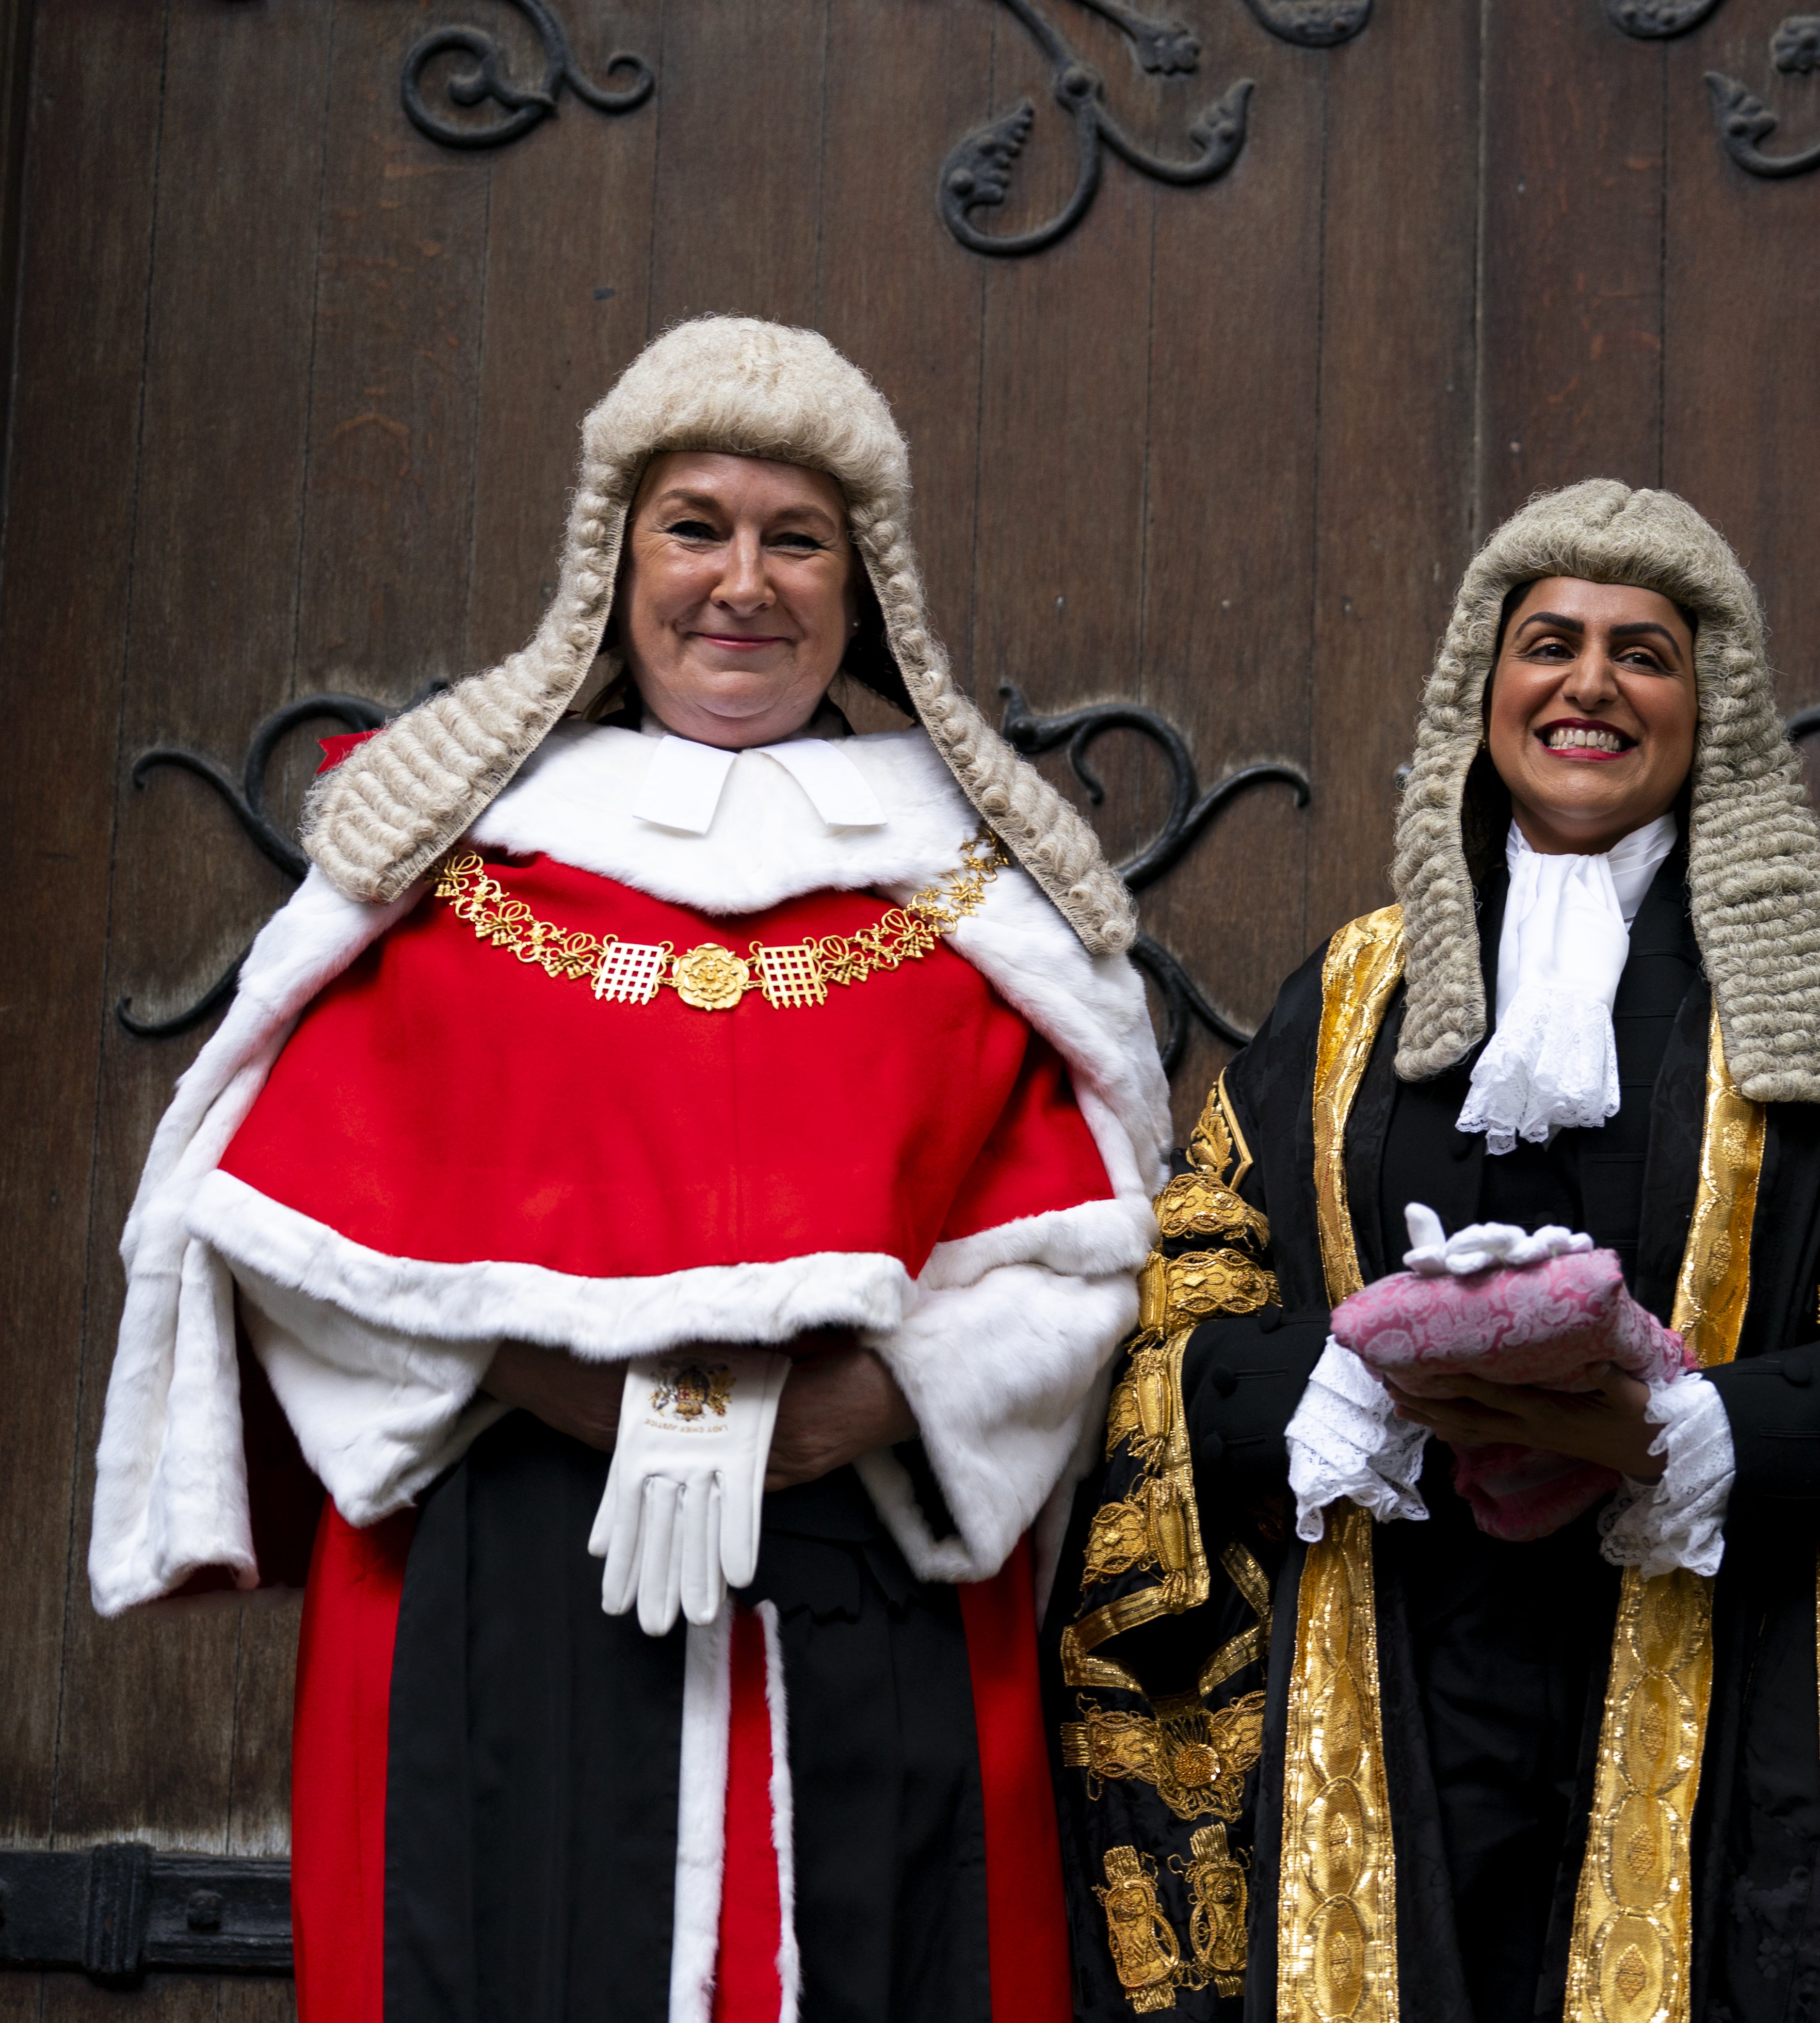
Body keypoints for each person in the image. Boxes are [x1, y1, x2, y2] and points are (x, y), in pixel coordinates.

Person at [88, 317, 1171, 2021]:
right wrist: (566, 1385)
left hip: (862, 1571)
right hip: (510, 1562)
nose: (742, 582)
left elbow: (1089, 1247)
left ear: (859, 582)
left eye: (795, 537)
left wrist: (861, 1411)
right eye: (697, 526)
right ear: (616, 560)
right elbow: (271, 1223)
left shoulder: (973, 894)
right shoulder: (449, 866)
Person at [1042, 480, 1820, 2019]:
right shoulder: (1352, 994)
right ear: (1483, 692)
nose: (1589, 684)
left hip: (1719, 1666)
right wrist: (1335, 1385)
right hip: (1392, 1667)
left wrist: (1705, 1427)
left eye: (1645, 651)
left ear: (1713, 708)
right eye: (1549, 643)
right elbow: (1191, 1288)